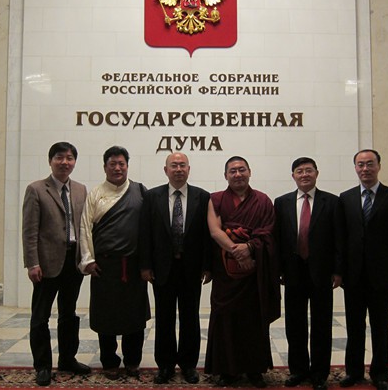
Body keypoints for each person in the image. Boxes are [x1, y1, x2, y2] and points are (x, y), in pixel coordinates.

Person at [204, 156, 280, 389]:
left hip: (254, 273)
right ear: (225, 175)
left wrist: (249, 247)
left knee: (253, 319)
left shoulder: (263, 200)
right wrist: (238, 251)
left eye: (242, 169)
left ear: (249, 172)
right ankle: (227, 370)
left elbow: (268, 232)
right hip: (226, 274)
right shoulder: (216, 199)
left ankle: (254, 369)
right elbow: (215, 231)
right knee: (225, 318)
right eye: (232, 171)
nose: (238, 174)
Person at [78, 146, 150, 381]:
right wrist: (88, 260)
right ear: (105, 167)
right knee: (105, 318)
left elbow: (149, 230)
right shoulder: (95, 194)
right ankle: (109, 362)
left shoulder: (140, 191)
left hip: (134, 267)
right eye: (113, 164)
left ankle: (132, 361)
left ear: (127, 166)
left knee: (135, 318)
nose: (117, 168)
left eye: (121, 164)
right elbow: (84, 228)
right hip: (105, 267)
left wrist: (147, 263)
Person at [139, 152, 212, 384]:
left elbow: (207, 235)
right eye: (174, 165)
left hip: (192, 269)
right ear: (166, 170)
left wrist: (208, 266)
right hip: (162, 269)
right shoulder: (152, 196)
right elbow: (145, 233)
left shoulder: (203, 197)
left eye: (182, 165)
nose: (178, 169)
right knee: (164, 318)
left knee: (191, 318)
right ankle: (166, 365)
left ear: (189, 169)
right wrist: (145, 265)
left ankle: (189, 365)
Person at [22, 142, 91, 387]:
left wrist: (87, 258)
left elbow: (85, 227)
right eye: (59, 157)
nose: (65, 162)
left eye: (69, 158)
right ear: (50, 161)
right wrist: (32, 263)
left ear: (74, 162)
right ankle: (42, 366)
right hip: (47, 263)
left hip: (73, 262)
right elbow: (29, 230)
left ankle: (67, 359)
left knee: (69, 314)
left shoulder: (81, 189)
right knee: (40, 317)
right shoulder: (36, 189)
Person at [339, 150, 388, 390]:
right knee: (354, 327)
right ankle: (353, 372)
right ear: (355, 168)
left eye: (370, 164)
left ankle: (380, 374)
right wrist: (339, 271)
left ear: (379, 166)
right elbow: (341, 239)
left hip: (382, 275)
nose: (365, 169)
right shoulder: (345, 198)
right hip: (353, 275)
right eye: (360, 165)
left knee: (380, 327)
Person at [274, 157, 344, 390]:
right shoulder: (281, 202)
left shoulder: (332, 202)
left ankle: (319, 374)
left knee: (322, 324)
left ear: (316, 173)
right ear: (293, 175)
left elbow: (339, 239)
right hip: (292, 273)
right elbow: (278, 239)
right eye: (299, 171)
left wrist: (338, 270)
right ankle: (298, 370)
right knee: (294, 324)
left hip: (322, 273)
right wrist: (278, 270)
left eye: (308, 170)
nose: (304, 174)